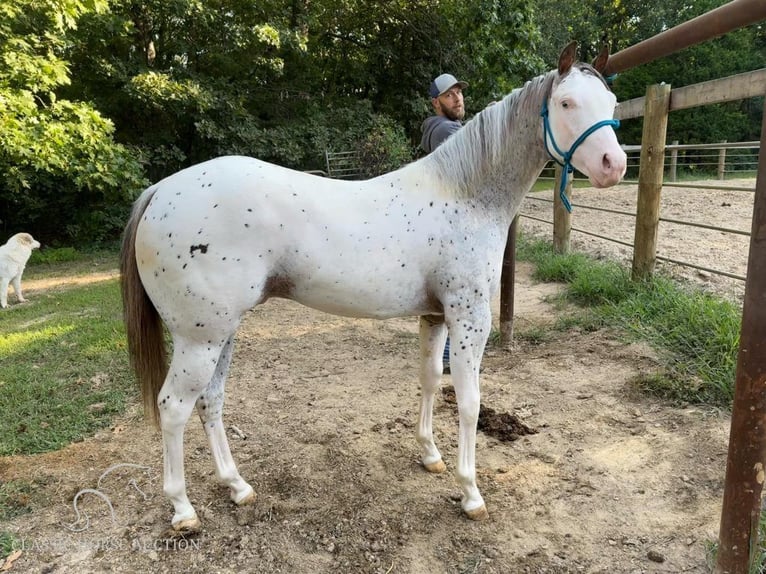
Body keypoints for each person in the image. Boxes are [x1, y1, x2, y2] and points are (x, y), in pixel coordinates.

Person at [420, 72, 468, 374]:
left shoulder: (438, 128)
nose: (458, 98)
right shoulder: (445, 130)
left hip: (443, 220)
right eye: (449, 95)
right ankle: (450, 355)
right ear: (436, 102)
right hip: (451, 224)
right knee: (459, 293)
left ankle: (448, 353)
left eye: (459, 92)